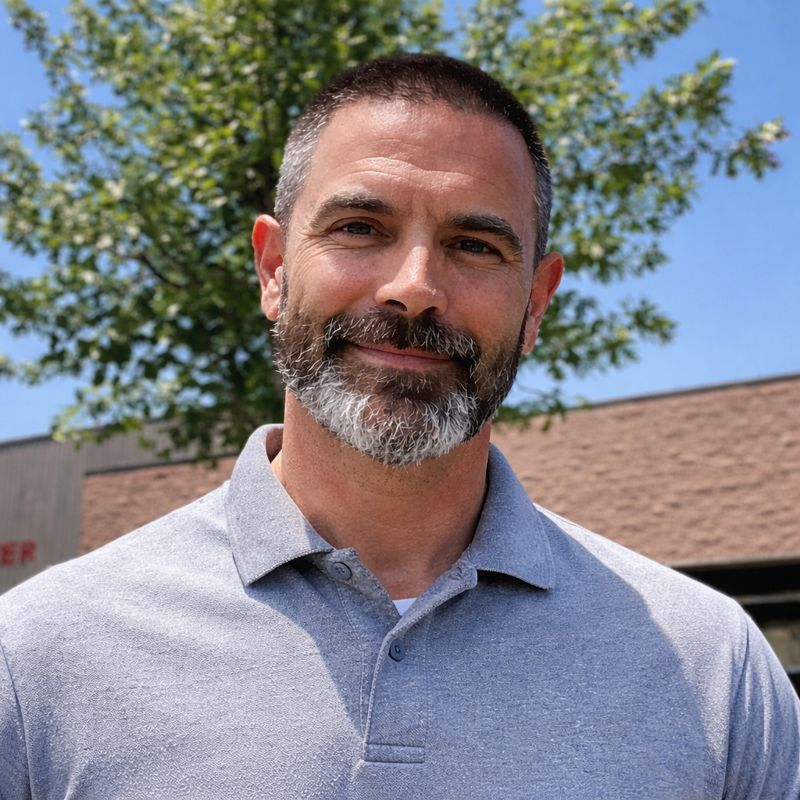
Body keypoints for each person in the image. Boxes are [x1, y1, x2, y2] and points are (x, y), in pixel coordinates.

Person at [0, 53, 798, 799]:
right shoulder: (35, 661)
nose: (413, 289)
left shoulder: (713, 672)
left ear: (537, 305)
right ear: (274, 270)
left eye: (474, 245)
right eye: (359, 228)